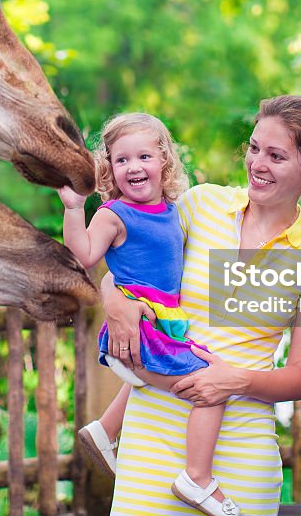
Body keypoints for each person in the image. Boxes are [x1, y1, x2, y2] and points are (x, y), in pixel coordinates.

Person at [102, 96, 301, 516]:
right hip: (152, 436)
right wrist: (113, 301)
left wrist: (234, 381)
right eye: (254, 148)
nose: (257, 164)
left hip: (239, 449)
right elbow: (131, 267)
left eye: (276, 156)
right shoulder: (201, 205)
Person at [58, 113, 242, 515]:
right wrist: (75, 208)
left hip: (163, 327)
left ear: (164, 161)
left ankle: (106, 430)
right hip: (138, 332)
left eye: (144, 156)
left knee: (182, 375)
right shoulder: (113, 214)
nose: (134, 167)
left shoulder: (172, 209)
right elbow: (85, 256)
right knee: (213, 387)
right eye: (121, 160)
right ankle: (196, 478)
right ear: (109, 168)